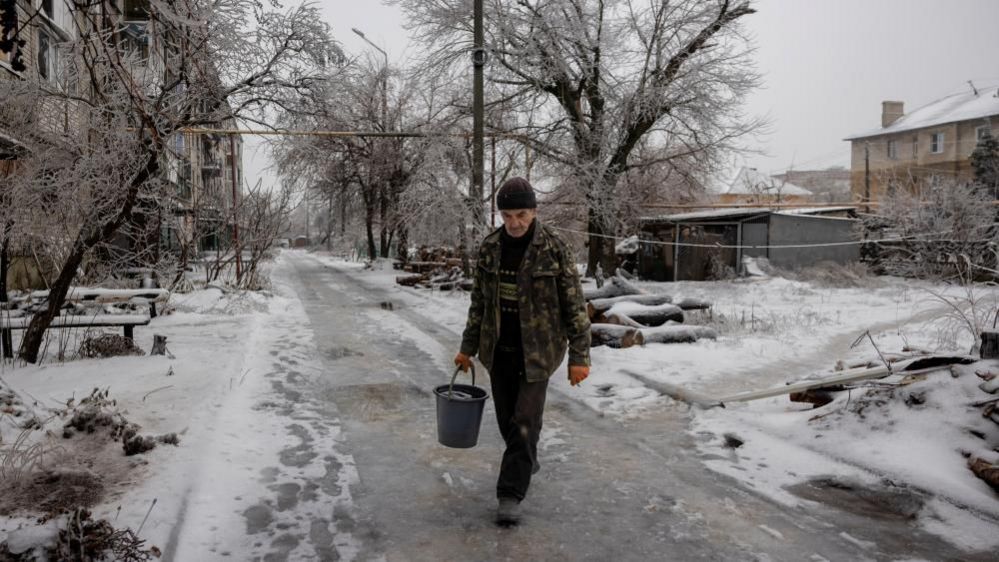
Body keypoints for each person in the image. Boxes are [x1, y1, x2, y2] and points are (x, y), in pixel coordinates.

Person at [453, 177, 591, 526]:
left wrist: (580, 357)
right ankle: (525, 458)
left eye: (522, 214)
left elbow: (575, 306)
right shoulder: (490, 249)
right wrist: (466, 349)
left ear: (534, 211)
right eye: (508, 215)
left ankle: (509, 494)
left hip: (539, 353)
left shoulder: (555, 248)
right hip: (498, 350)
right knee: (507, 421)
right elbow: (479, 304)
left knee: (526, 422)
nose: (514, 223)